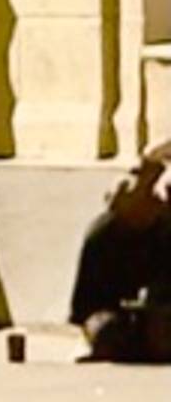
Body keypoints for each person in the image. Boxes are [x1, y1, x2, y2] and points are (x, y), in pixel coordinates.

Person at [78, 155, 171, 364]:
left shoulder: (165, 230)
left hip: (159, 314)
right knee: (106, 332)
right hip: (116, 316)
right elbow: (86, 308)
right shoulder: (101, 236)